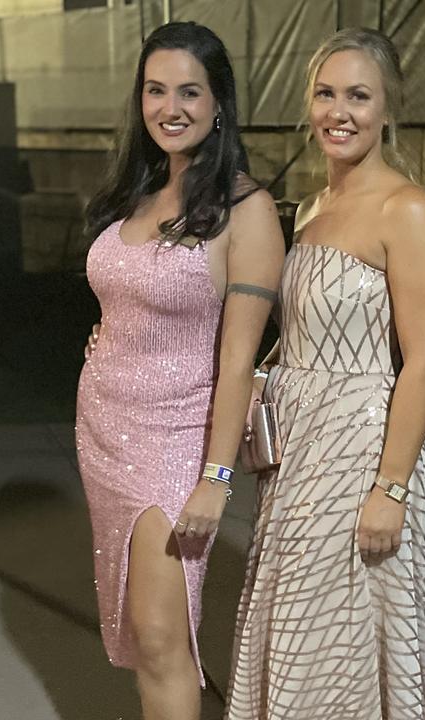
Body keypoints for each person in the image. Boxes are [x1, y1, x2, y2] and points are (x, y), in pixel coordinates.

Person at [226, 27, 425, 720]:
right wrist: (265, 377)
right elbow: (307, 330)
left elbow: (424, 361)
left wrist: (389, 490)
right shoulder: (312, 207)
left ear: (388, 109)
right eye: (326, 94)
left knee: (348, 646)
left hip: (363, 459)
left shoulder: (407, 210)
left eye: (359, 95)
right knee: (300, 639)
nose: (339, 111)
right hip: (297, 465)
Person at [75, 21, 284, 720]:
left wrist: (217, 477)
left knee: (166, 636)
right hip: (104, 433)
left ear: (219, 104)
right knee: (141, 634)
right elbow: (129, 297)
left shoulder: (246, 211)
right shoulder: (137, 194)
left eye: (190, 92)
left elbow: (236, 361)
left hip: (175, 442)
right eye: (156, 90)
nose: (171, 107)